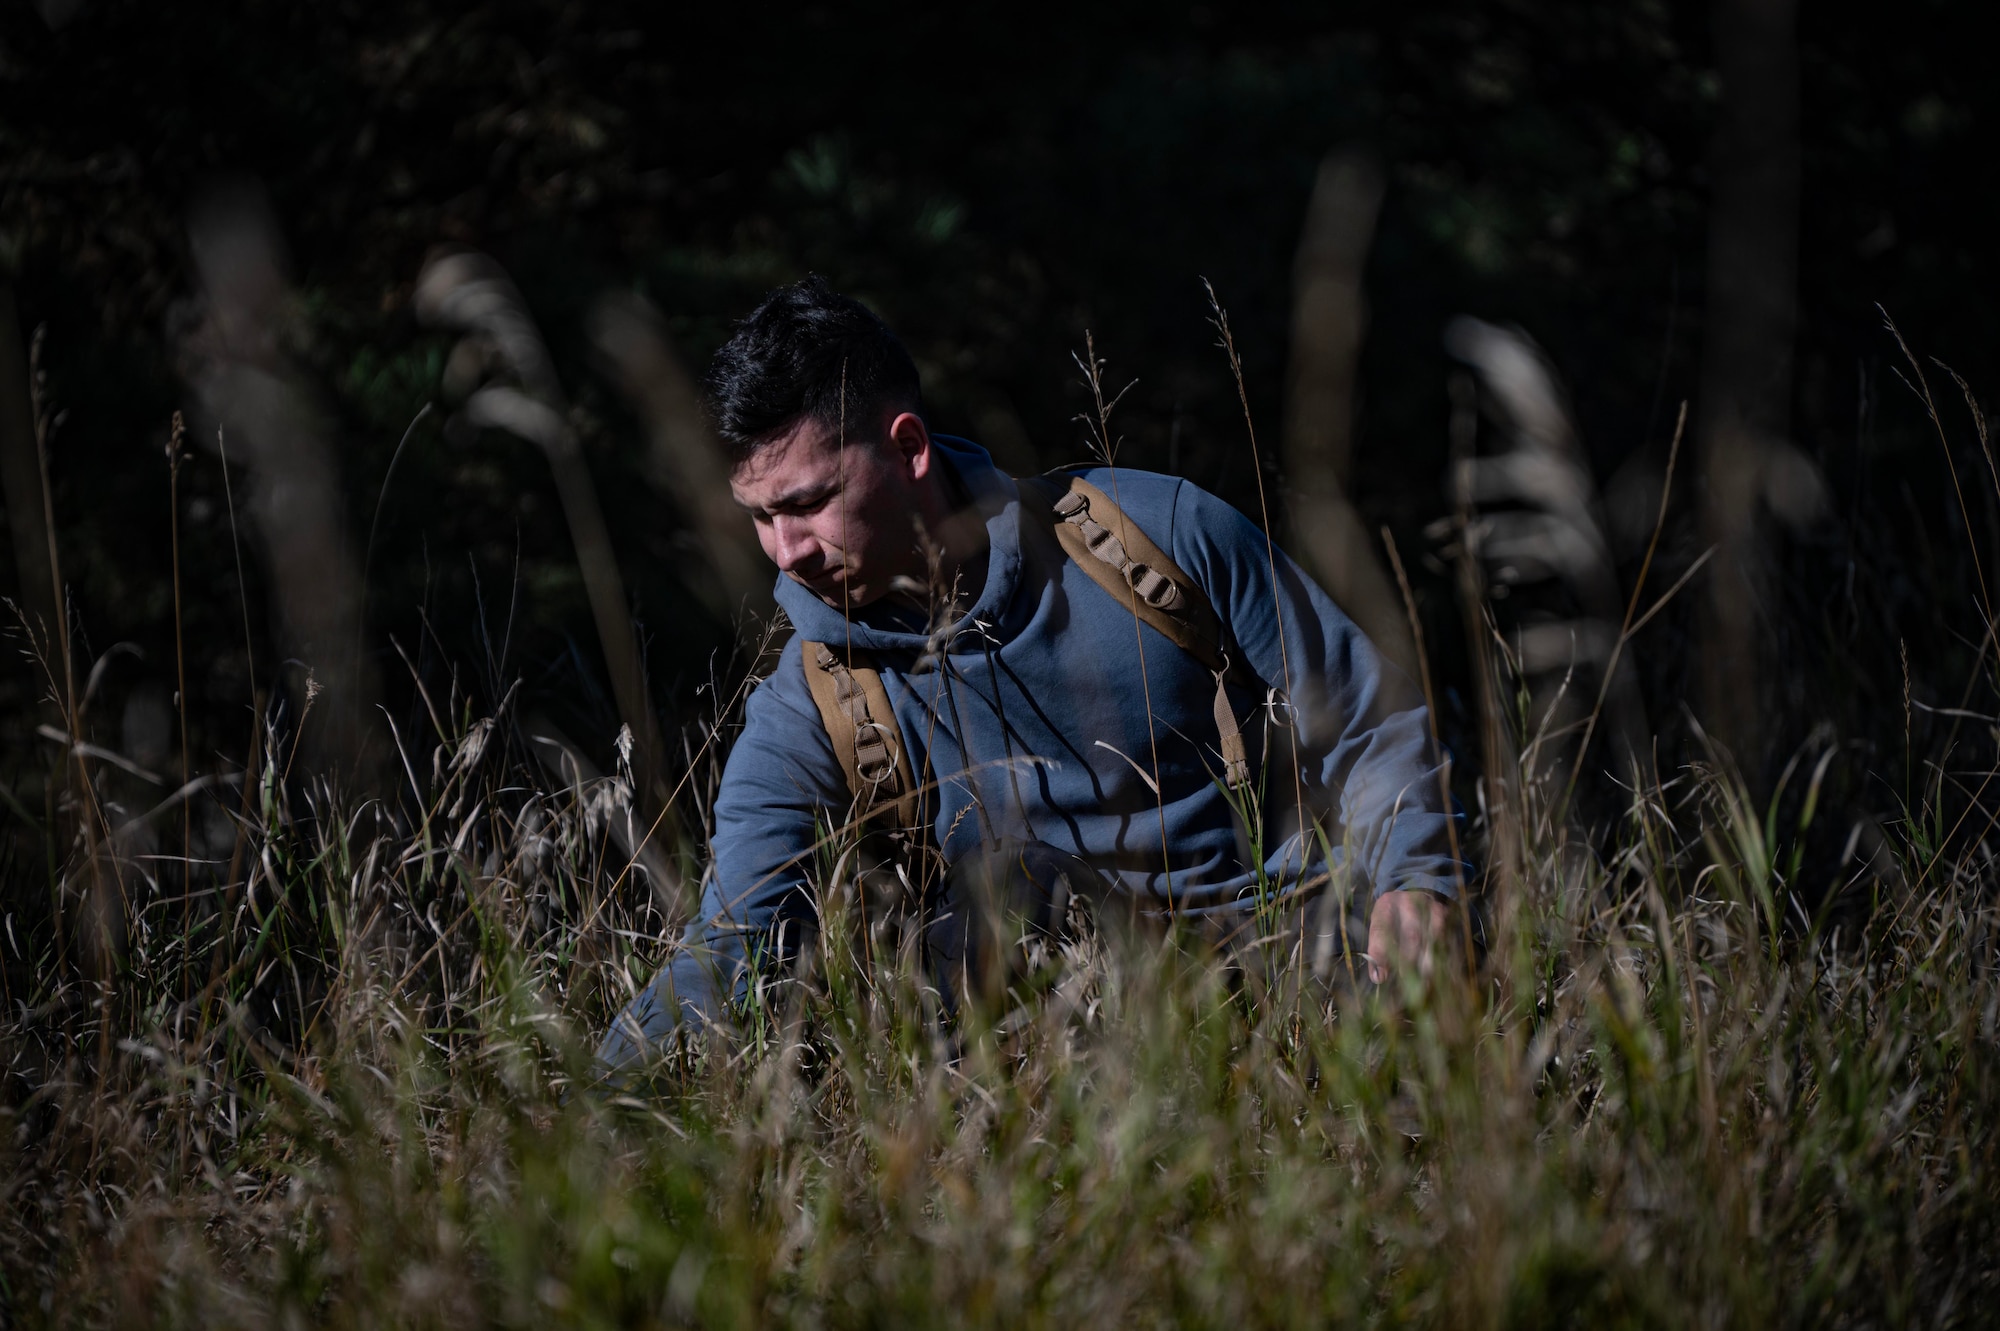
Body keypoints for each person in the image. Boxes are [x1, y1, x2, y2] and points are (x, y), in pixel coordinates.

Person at [597, 277, 1465, 1069]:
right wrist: (587, 1109)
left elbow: (1370, 722)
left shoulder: (1155, 536)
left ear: (907, 448)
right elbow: (736, 943)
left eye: (808, 503)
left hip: (1294, 980)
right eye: (758, 516)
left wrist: (1416, 881)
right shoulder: (810, 705)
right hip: (1044, 1067)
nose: (786, 552)